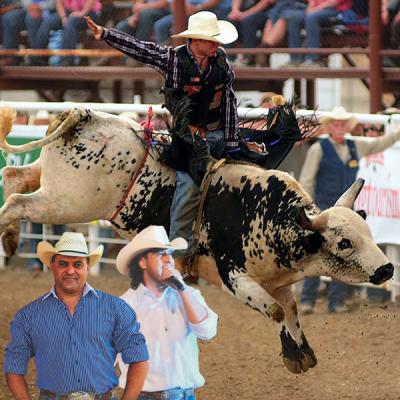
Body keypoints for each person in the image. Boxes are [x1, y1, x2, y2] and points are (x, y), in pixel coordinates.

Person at [85, 11, 240, 263]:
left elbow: (229, 103)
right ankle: (181, 256)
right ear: (195, 41)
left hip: (219, 135)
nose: (217, 44)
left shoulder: (221, 63)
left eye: (216, 40)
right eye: (211, 40)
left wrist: (233, 143)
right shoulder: (173, 59)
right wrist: (105, 34)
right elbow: (140, 49)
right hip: (188, 140)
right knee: (188, 188)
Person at [4, 231, 149, 399]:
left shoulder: (115, 308)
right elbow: (14, 364)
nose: (70, 270)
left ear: (88, 266)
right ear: (52, 265)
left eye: (78, 264)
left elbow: (139, 357)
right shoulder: (29, 315)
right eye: (63, 263)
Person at [299, 106, 400, 314]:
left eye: (343, 124)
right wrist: (309, 210)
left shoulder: (354, 146)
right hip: (323, 213)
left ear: (347, 126)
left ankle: (335, 301)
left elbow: (380, 143)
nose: (339, 127)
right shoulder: (318, 149)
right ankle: (308, 299)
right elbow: (306, 181)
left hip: (345, 214)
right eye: (336, 124)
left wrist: (397, 133)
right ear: (330, 126)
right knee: (316, 256)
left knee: (344, 256)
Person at [115, 225, 218, 400]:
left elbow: (207, 331)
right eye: (160, 254)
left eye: (169, 254)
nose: (168, 259)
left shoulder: (189, 295)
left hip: (185, 395)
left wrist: (182, 289)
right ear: (142, 262)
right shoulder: (123, 306)